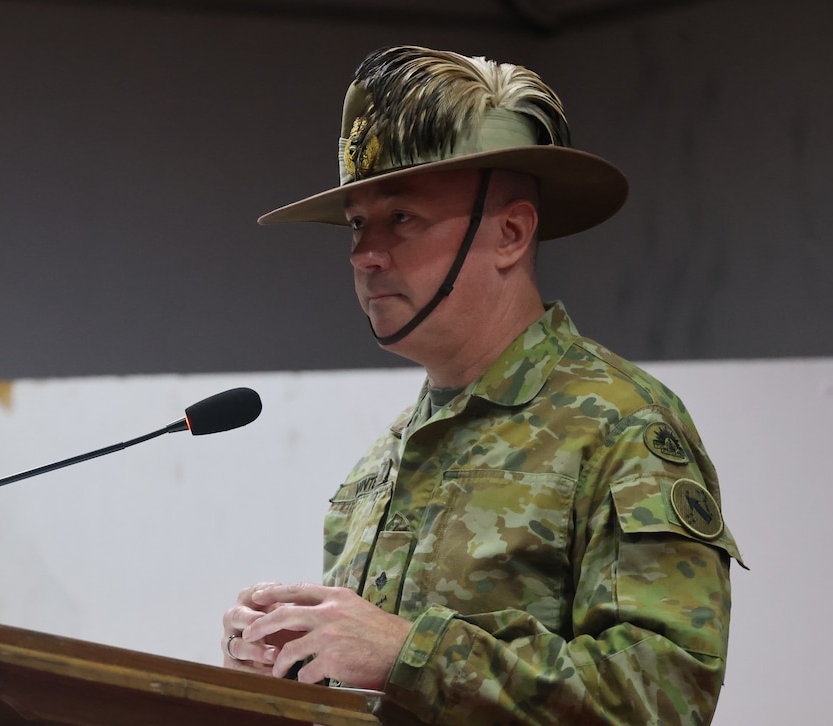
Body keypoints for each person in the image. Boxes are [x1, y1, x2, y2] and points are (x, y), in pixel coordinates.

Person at [221, 45, 744, 725]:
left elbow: (664, 694)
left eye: (400, 218)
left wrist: (410, 653)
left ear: (510, 234)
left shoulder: (621, 426)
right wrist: (284, 668)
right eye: (356, 224)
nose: (364, 254)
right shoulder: (381, 466)